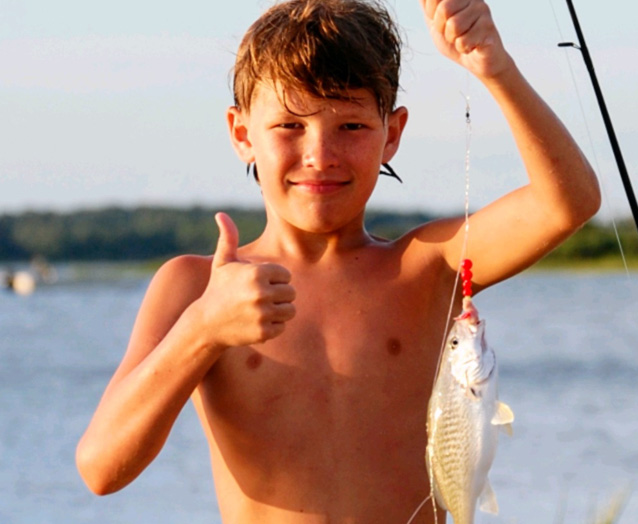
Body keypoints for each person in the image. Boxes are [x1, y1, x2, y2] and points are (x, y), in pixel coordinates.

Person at [76, 0, 600, 522]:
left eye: (350, 126)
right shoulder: (196, 287)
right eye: (289, 126)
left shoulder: (427, 266)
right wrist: (203, 329)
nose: (320, 154)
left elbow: (568, 203)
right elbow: (102, 469)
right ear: (242, 135)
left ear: (391, 134)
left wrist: (495, 67)